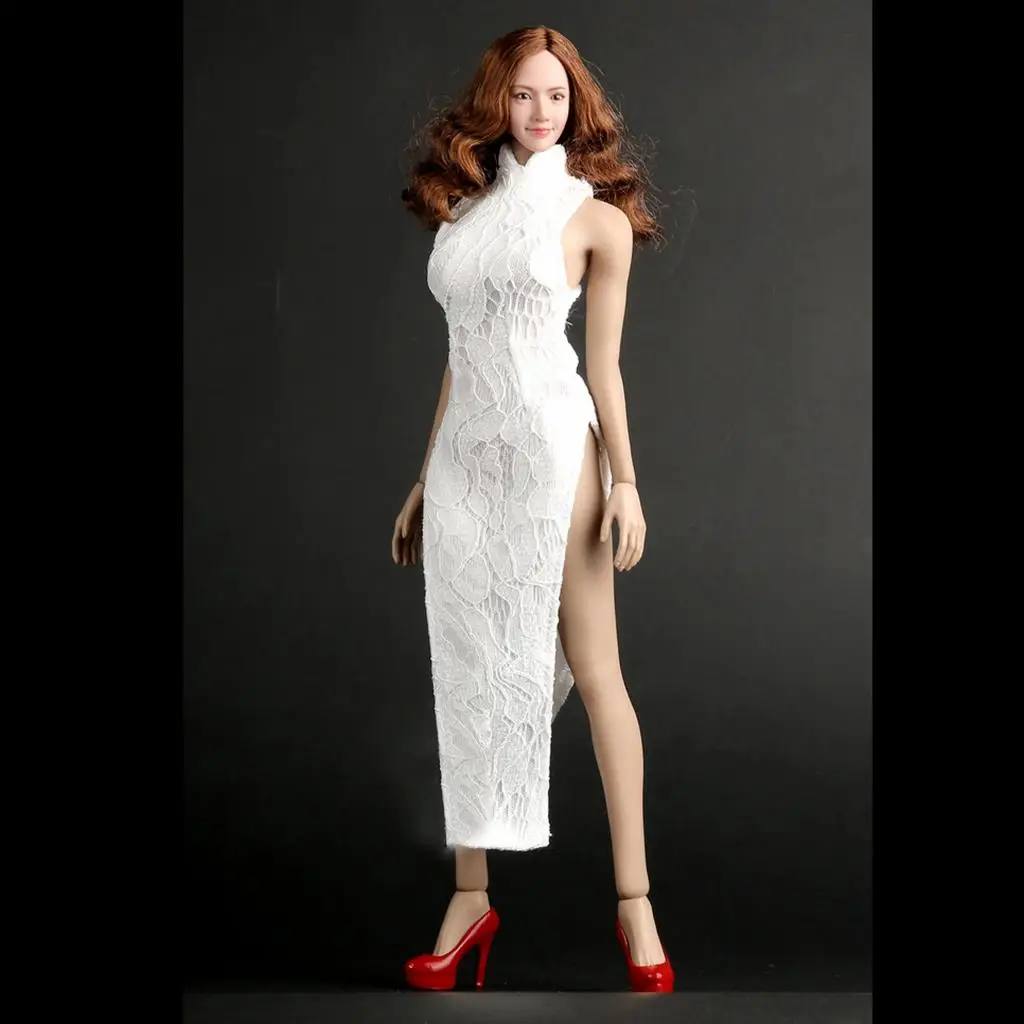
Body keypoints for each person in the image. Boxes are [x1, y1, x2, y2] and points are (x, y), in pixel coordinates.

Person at [392, 25, 672, 993]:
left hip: (556, 456)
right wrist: (424, 476)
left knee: (597, 672)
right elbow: (459, 356)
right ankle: (469, 896)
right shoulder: (462, 215)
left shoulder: (593, 221)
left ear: (576, 105)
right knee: (465, 670)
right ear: (496, 102)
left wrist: (626, 481)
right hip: (466, 468)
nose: (540, 111)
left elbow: (604, 367)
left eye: (556, 95)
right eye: (522, 94)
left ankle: (636, 903)